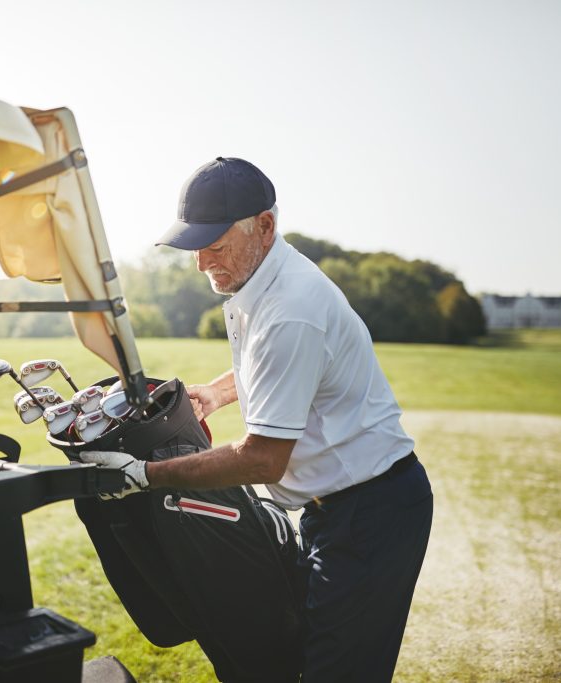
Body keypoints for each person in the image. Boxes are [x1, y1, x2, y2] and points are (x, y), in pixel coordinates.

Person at [81, 157, 433, 682]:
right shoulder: (261, 284)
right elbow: (271, 367)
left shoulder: (291, 306)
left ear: (264, 226)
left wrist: (142, 476)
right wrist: (218, 393)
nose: (201, 263)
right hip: (334, 508)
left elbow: (263, 460)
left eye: (215, 246)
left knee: (335, 672)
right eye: (194, 247)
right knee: (295, 654)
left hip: (371, 512)